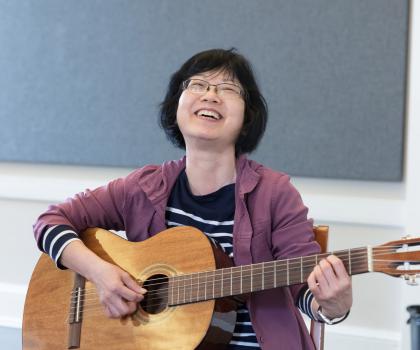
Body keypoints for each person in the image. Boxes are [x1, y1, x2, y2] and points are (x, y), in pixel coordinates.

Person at [33, 48, 352, 350]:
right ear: (176, 105)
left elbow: (307, 292)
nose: (210, 94)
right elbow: (50, 222)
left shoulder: (275, 194)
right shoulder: (143, 187)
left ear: (247, 118)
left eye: (228, 89)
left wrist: (332, 305)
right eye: (198, 84)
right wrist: (100, 274)